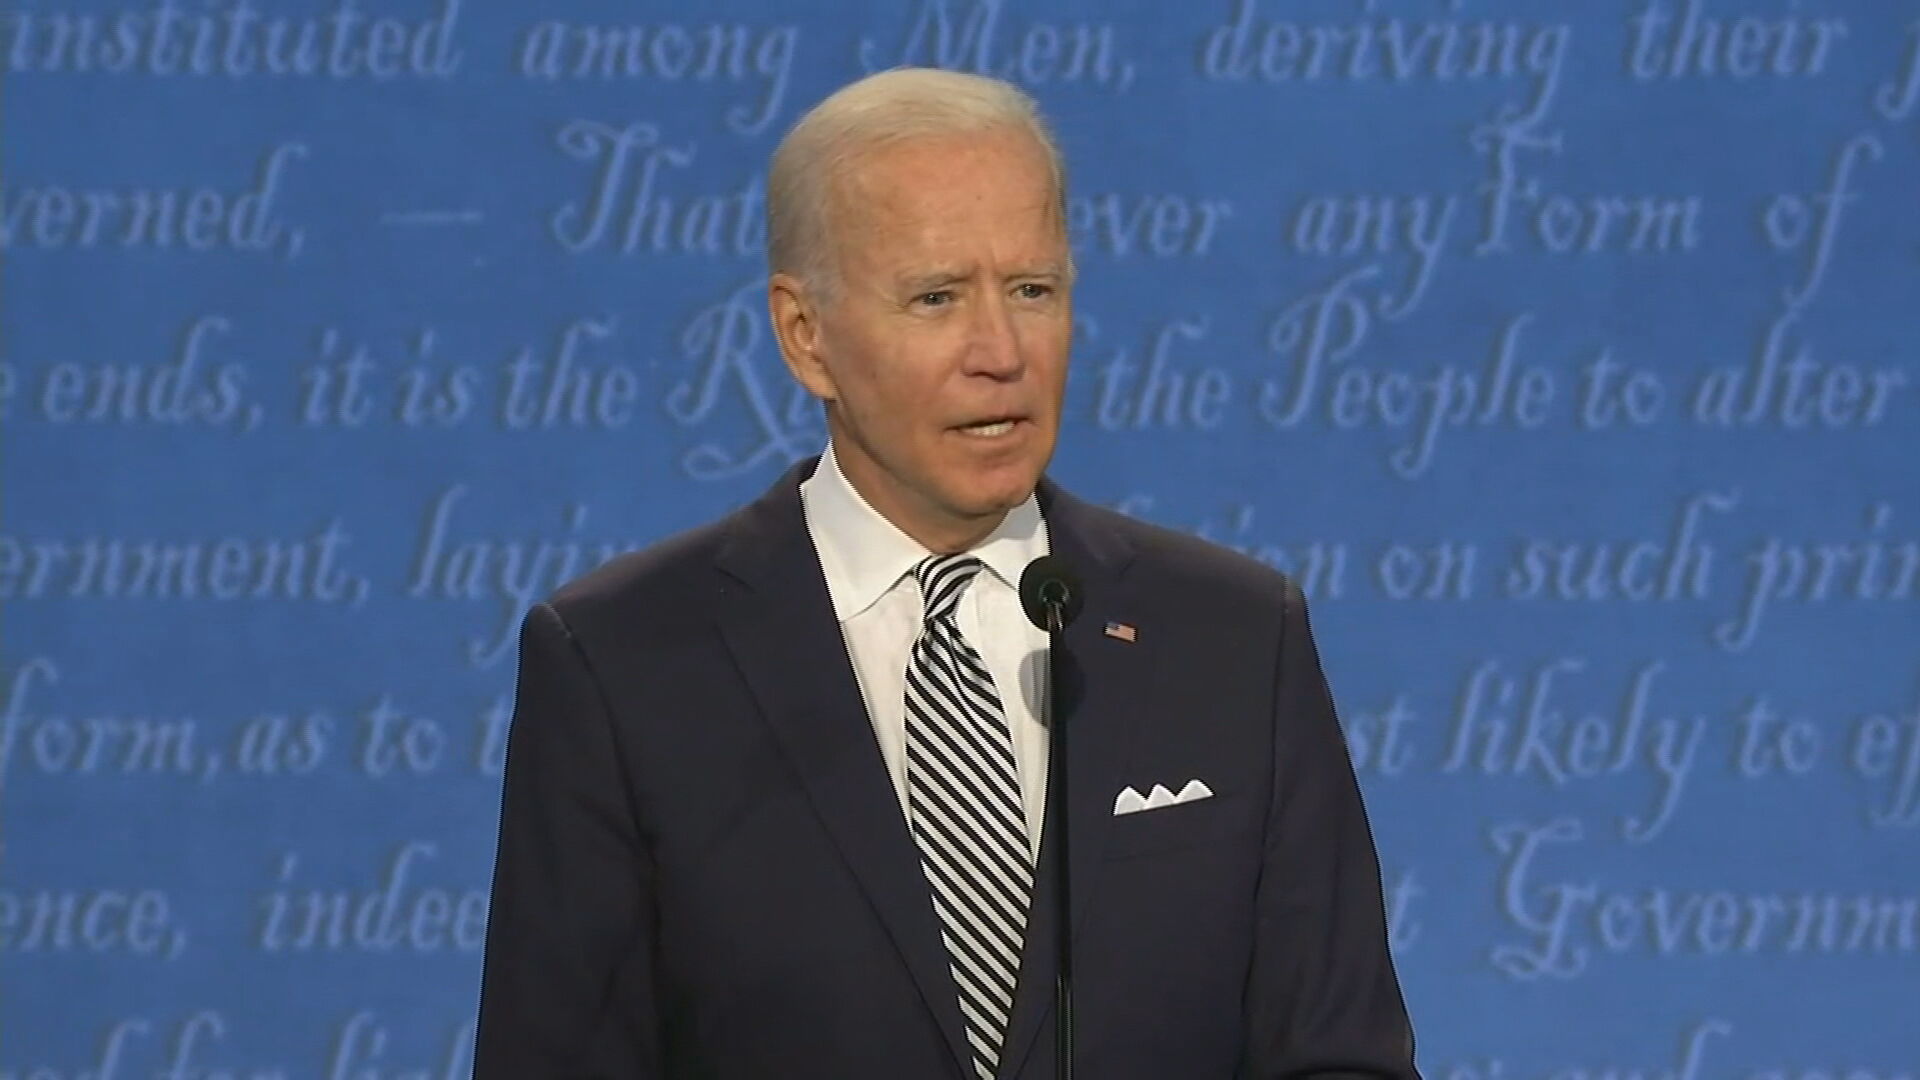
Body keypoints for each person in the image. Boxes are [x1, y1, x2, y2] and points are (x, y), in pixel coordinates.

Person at [473, 67, 1420, 1079]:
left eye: (1032, 290)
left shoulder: (1232, 638)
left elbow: (1341, 1056)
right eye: (935, 298)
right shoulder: (624, 664)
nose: (1000, 351)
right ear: (806, 336)